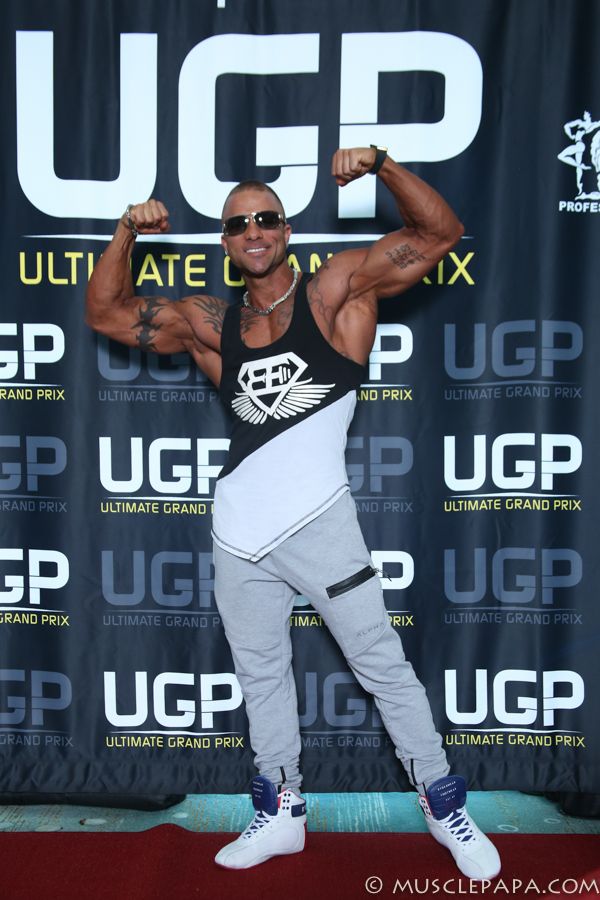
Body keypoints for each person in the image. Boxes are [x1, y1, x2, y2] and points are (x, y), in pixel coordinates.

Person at [85, 146, 501, 881]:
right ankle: (281, 812)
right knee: (263, 678)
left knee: (384, 667)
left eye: (266, 219)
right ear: (225, 241)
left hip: (322, 524)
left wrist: (382, 166)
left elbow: (439, 234)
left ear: (286, 230)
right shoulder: (211, 322)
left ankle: (443, 806)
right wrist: (125, 232)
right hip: (238, 532)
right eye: (237, 223)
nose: (253, 231)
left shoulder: (335, 292)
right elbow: (105, 313)